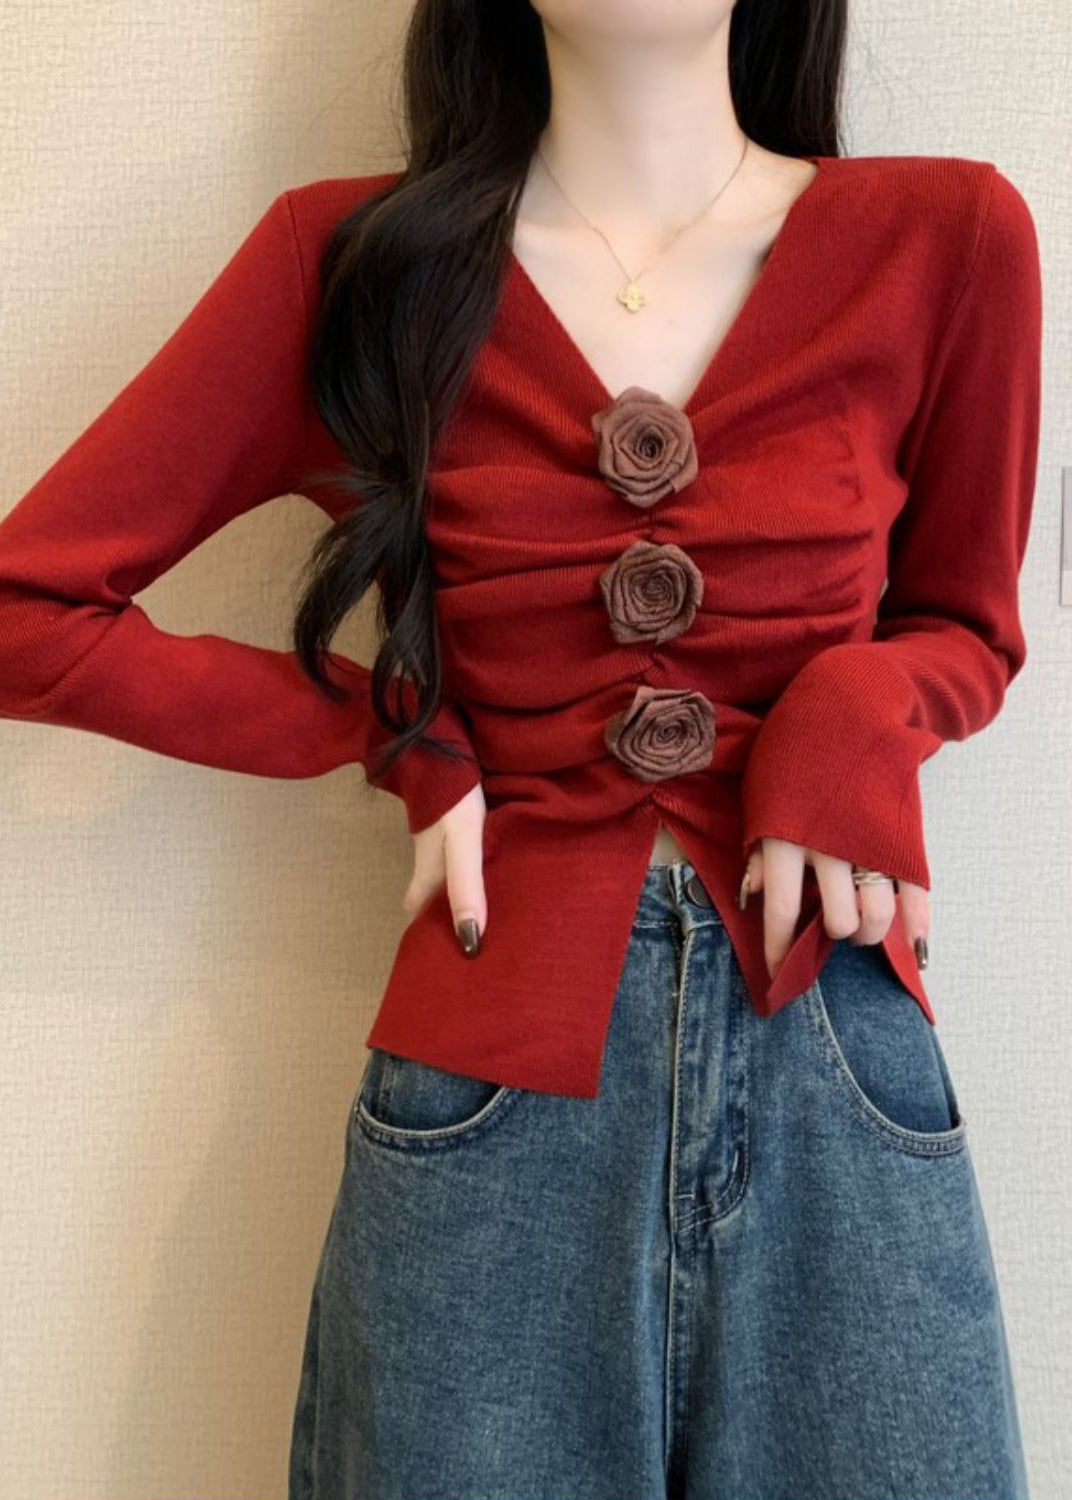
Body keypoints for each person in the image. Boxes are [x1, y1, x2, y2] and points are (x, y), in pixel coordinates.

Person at [0, 1, 1042, 1497]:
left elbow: (967, 626)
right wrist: (396, 728)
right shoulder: (358, 265)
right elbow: (29, 608)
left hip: (841, 1062)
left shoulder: (949, 240)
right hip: (488, 1109)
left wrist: (851, 714)